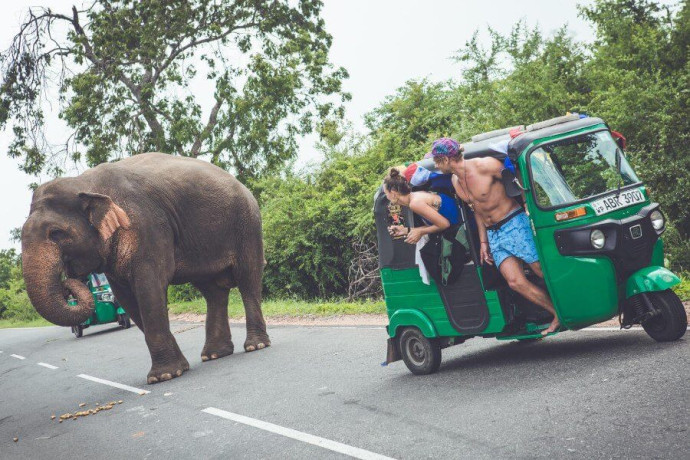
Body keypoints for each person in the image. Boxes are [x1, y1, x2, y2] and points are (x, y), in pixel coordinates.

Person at [430, 137, 560, 335]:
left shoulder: (485, 165)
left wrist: (527, 204)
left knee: (539, 268)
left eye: (437, 160)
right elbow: (477, 210)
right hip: (494, 234)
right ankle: (557, 314)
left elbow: (517, 176)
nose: (435, 165)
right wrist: (483, 241)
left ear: (446, 160)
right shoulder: (455, 181)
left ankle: (570, 306)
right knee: (515, 281)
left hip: (513, 222)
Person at [383, 168, 459, 244]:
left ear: (393, 193)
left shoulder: (415, 203)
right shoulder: (414, 197)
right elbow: (436, 225)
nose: (387, 197)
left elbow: (444, 224)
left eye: (386, 193)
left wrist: (420, 232)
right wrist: (406, 230)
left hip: (461, 227)